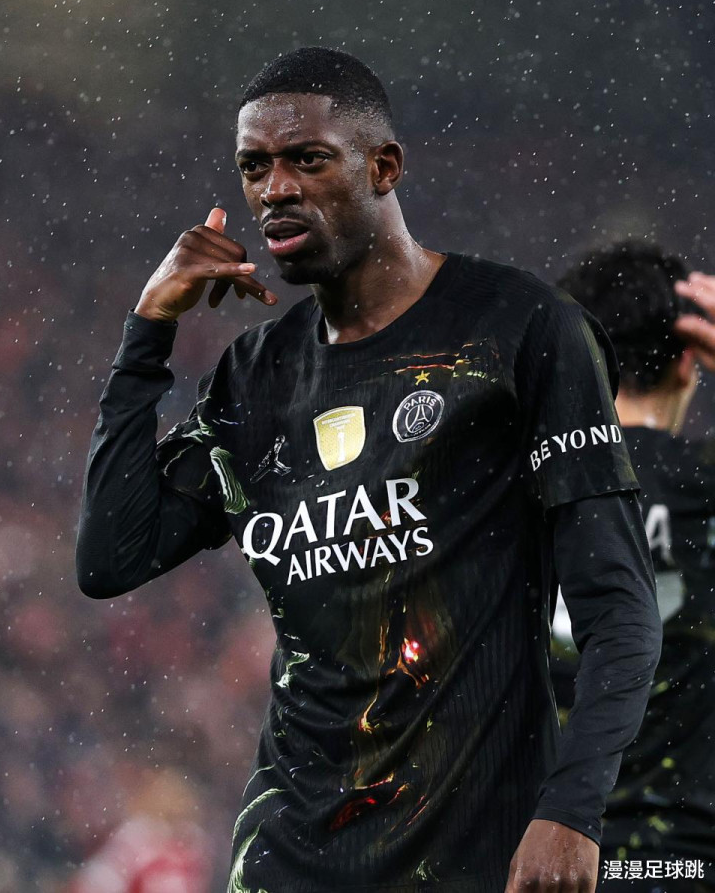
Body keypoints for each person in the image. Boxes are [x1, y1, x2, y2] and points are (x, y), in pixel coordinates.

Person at [76, 47, 662, 893]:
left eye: (308, 159)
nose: (275, 189)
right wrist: (147, 333)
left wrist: (573, 813)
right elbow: (112, 556)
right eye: (255, 167)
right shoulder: (255, 376)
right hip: (287, 856)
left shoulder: (520, 330)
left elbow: (621, 609)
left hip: (471, 849)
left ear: (384, 167)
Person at [550, 242, 715, 892]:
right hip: (689, 862)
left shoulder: (508, 494)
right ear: (688, 360)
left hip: (540, 862)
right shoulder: (704, 487)